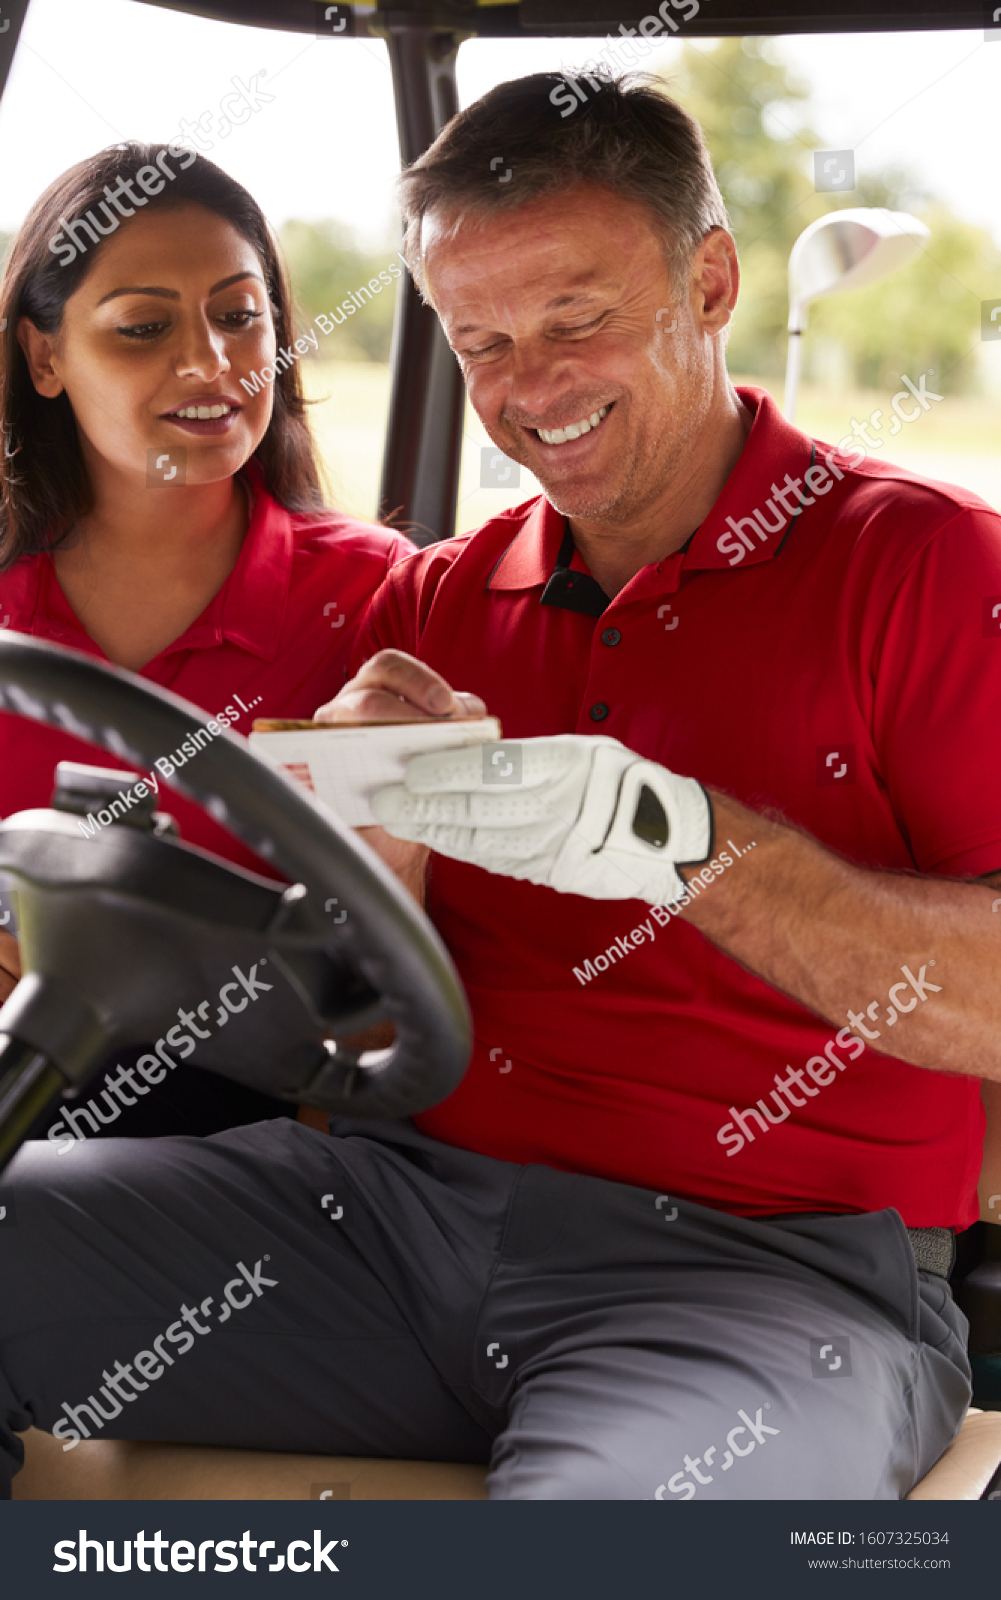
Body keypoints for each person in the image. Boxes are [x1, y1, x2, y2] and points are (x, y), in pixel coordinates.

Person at [1, 74, 999, 1501]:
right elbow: (345, 1027)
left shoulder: (926, 566)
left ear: (708, 280)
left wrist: (686, 846)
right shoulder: (435, 607)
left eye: (577, 320)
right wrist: (362, 857)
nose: (529, 389)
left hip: (762, 1280)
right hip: (387, 1223)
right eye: (481, 341)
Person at [0, 143, 412, 1135]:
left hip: (264, 1159)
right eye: (144, 329)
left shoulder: (381, 600)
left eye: (239, 316)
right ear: (44, 357)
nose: (212, 365)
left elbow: (396, 1003)